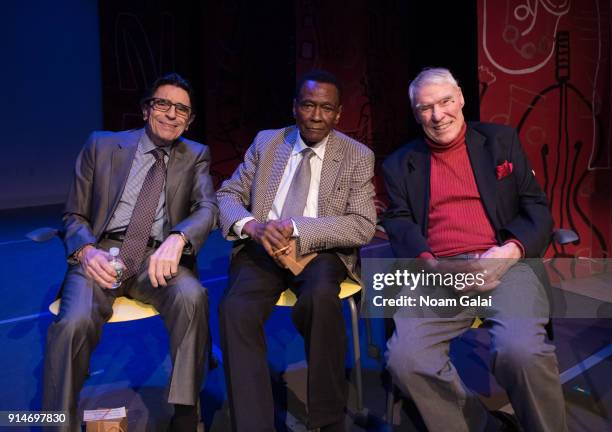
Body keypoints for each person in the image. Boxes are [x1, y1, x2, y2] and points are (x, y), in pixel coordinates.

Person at [382, 68, 566, 432]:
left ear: (461, 98)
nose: (438, 115)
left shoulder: (500, 141)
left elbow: (538, 210)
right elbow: (399, 222)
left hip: (506, 264)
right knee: (405, 359)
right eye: (425, 108)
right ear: (416, 113)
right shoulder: (400, 164)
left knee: (520, 352)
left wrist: (510, 252)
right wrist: (431, 264)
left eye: (446, 101)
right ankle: (480, 425)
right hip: (440, 273)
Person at [42, 73, 218, 432]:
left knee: (192, 297)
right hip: (102, 254)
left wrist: (179, 238)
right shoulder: (102, 146)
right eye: (162, 104)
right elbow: (74, 214)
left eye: (181, 109)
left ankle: (185, 415)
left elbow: (207, 208)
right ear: (145, 109)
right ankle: (57, 425)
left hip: (156, 258)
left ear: (190, 120)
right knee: (72, 322)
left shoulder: (195, 155)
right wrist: (87, 251)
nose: (171, 114)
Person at [216, 70, 376, 431]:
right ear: (295, 107)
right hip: (262, 248)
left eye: (325, 108)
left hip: (321, 251)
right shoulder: (267, 142)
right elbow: (227, 195)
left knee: (320, 299)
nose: (316, 116)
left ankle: (327, 420)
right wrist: (253, 227)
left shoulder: (356, 156)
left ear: (339, 114)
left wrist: (298, 228)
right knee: (235, 308)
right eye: (308, 105)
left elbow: (362, 224)